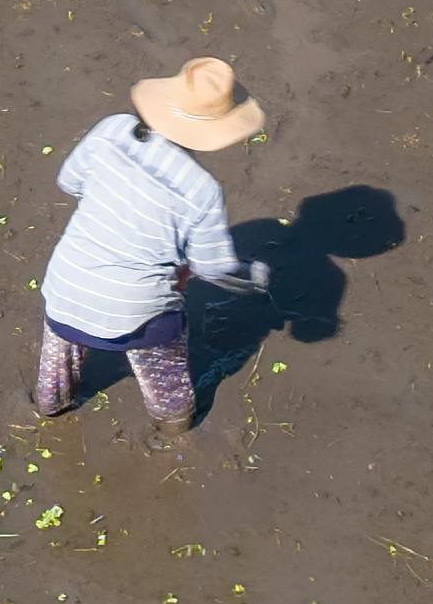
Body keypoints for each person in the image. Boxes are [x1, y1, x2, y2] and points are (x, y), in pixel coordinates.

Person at [33, 55, 272, 430]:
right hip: (139, 313)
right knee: (166, 381)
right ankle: (174, 426)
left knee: (57, 361)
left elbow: (70, 181)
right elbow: (212, 267)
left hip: (66, 286)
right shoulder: (200, 189)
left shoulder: (111, 131)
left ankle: (49, 405)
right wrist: (253, 276)